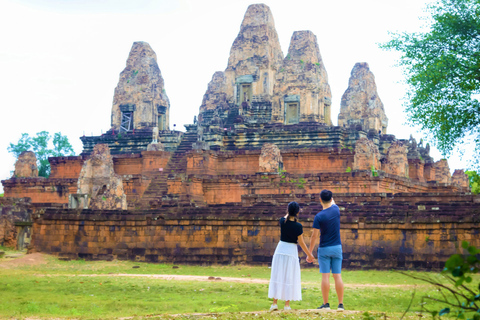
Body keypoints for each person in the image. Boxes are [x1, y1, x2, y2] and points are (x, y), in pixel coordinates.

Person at [268, 201, 315, 311]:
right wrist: (310, 255)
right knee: (289, 276)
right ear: (298, 212)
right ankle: (286, 305)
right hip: (290, 251)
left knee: (277, 275)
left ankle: (274, 303)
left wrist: (289, 212)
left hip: (280, 250)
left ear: (288, 211)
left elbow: (286, 216)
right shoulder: (298, 226)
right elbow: (302, 243)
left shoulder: (282, 221)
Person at [308, 189, 345, 311]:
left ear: (320, 200)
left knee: (325, 276)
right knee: (337, 275)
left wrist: (310, 253)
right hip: (337, 248)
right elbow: (332, 202)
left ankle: (326, 304)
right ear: (331, 199)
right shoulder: (336, 210)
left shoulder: (319, 217)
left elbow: (314, 236)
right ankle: (340, 305)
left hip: (324, 249)